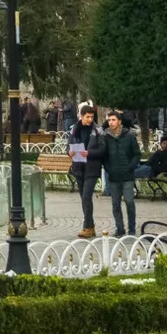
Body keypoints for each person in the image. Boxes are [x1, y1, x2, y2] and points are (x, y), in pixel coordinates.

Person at [68, 101, 106, 238]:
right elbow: (68, 145)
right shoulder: (74, 129)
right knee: (83, 199)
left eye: (92, 117)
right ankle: (91, 226)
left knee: (86, 196)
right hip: (78, 167)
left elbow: (102, 150)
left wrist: (89, 153)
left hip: (92, 168)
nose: (90, 119)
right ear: (81, 116)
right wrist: (70, 152)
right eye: (87, 117)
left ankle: (86, 227)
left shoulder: (97, 131)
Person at [103, 108, 141, 237]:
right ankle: (119, 228)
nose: (111, 122)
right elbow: (104, 157)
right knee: (115, 203)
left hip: (127, 175)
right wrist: (109, 169)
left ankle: (132, 228)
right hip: (114, 176)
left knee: (129, 202)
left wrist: (130, 167)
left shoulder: (129, 135)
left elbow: (137, 154)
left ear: (119, 121)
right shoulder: (106, 137)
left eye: (113, 120)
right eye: (109, 120)